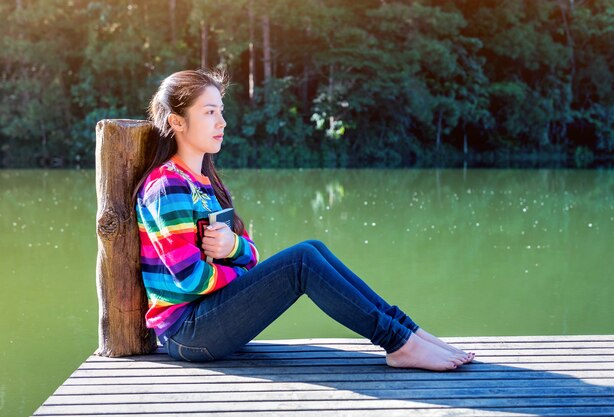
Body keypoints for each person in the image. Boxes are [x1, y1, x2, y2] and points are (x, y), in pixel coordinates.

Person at [134, 69, 475, 371]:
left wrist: (233, 245)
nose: (222, 122)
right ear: (177, 121)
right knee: (301, 262)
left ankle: (407, 331)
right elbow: (189, 280)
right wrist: (237, 271)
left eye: (221, 111)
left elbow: (251, 253)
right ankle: (400, 343)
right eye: (209, 112)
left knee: (313, 248)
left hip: (211, 316)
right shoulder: (168, 186)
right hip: (189, 333)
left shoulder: (206, 182)